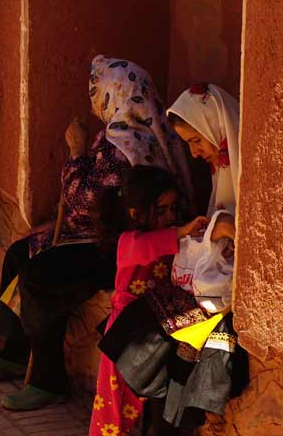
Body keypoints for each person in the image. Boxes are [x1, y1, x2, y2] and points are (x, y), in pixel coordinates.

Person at [0, 55, 193, 411]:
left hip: (115, 247)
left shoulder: (124, 140)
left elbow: (83, 199)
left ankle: (48, 380)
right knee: (18, 252)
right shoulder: (136, 132)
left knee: (39, 276)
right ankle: (14, 352)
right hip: (100, 236)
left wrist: (75, 150)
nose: (93, 98)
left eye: (97, 90)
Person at [98, 83, 248, 434]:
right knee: (147, 348)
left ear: (217, 129)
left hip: (224, 299)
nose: (195, 154)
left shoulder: (244, 168)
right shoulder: (222, 171)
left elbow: (232, 231)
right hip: (207, 290)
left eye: (197, 141)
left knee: (186, 356)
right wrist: (206, 232)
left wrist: (217, 232)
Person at [89, 165, 208, 436]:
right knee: (112, 407)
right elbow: (148, 248)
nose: (171, 216)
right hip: (127, 332)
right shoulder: (129, 242)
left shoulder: (169, 237)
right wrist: (182, 232)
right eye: (162, 210)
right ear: (135, 214)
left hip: (153, 330)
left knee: (151, 400)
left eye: (172, 209)